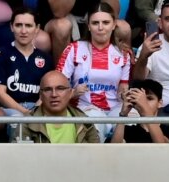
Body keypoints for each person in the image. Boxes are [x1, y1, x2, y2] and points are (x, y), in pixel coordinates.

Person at [56, 2, 131, 141]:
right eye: (95, 23)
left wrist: (125, 95)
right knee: (93, 123)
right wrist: (73, 92)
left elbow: (123, 88)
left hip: (115, 109)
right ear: (88, 26)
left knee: (134, 121)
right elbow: (56, 86)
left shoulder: (123, 53)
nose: (101, 27)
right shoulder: (74, 49)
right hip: (85, 109)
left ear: (114, 24)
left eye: (106, 22)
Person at [0, 7, 53, 117]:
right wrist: (25, 113)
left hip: (38, 108)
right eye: (19, 25)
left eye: (28, 26)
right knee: (17, 119)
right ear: (11, 27)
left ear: (37, 28)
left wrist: (35, 111)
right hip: (10, 109)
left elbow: (47, 93)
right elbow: (0, 94)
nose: (23, 31)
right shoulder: (2, 53)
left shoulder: (46, 58)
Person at [22, 70, 101, 142]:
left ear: (70, 93)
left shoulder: (85, 122)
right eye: (48, 89)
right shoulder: (26, 123)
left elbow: (95, 155)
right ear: (41, 95)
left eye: (60, 89)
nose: (54, 94)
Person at [110, 78, 169, 142]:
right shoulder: (129, 130)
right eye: (140, 99)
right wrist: (123, 115)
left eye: (149, 98)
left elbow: (162, 147)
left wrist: (146, 109)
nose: (143, 102)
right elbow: (114, 150)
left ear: (160, 103)